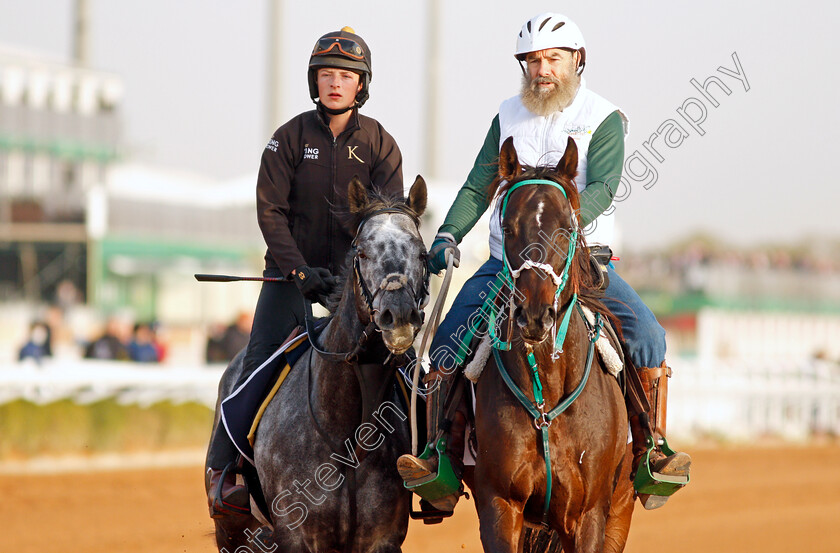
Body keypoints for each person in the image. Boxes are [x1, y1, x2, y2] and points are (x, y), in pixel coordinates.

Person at [397, 12, 691, 513]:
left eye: (552, 57)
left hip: (580, 262)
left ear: (577, 59)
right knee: (447, 342)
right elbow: (476, 186)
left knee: (647, 336)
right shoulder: (506, 116)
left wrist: (566, 231)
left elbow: (601, 187)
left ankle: (649, 451)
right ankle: (440, 459)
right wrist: (448, 233)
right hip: (506, 267)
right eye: (532, 60)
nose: (542, 69)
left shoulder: (604, 117)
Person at [205, 26, 404, 519]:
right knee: (256, 364)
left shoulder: (381, 144)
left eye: (346, 76)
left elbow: (387, 221)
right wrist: (298, 273)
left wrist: (358, 280)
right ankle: (223, 470)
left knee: (400, 367)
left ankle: (422, 463)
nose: (335, 83)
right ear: (314, 81)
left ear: (362, 84)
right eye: (326, 74)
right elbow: (269, 212)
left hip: (356, 287)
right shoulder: (287, 139)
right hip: (290, 279)